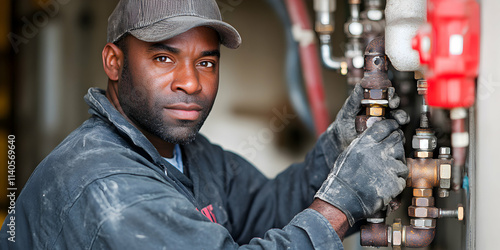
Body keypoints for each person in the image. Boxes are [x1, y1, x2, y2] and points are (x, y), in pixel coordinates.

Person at [1, 0, 409, 249]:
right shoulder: (107, 189)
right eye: (163, 58)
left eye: (207, 62)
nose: (191, 82)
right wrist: (338, 207)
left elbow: (267, 210)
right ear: (114, 62)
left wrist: (340, 149)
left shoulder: (186, 154)